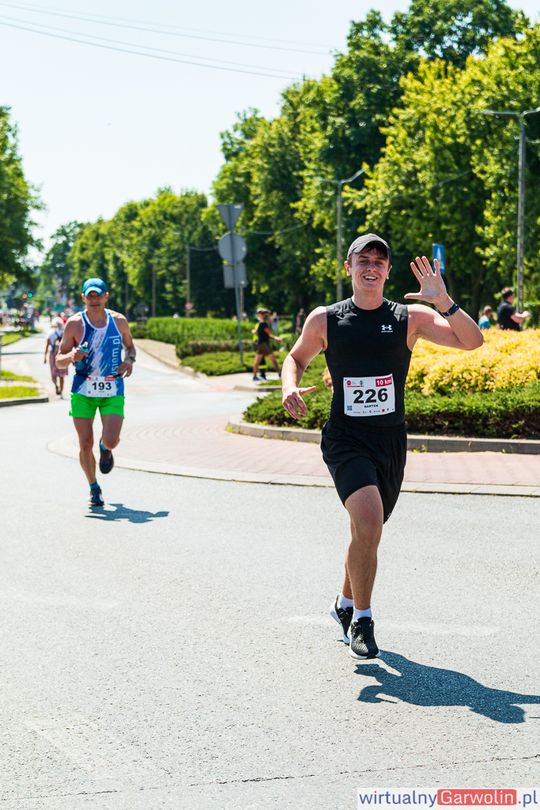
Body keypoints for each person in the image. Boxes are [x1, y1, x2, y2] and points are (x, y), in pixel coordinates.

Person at [281, 233, 483, 661]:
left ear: (388, 271)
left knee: (367, 532)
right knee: (369, 521)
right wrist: (289, 386)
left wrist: (443, 301)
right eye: (363, 260)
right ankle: (363, 619)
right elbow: (295, 359)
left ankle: (343, 602)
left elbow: (472, 341)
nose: (371, 267)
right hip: (345, 438)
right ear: (348, 267)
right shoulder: (326, 319)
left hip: (390, 441)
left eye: (379, 261)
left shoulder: (410, 318)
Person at [55, 277, 136, 507]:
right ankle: (94, 488)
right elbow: (59, 360)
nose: (94, 300)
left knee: (111, 440)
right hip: (83, 390)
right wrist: (71, 356)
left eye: (98, 295)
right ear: (83, 298)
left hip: (113, 387)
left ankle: (105, 448)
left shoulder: (119, 321)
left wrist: (129, 361)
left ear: (106, 296)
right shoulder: (74, 324)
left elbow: (130, 347)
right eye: (89, 296)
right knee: (84, 443)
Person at [252, 307, 282, 382]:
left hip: (260, 344)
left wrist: (275, 338)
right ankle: (280, 374)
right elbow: (269, 333)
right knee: (273, 360)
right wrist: (275, 337)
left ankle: (254, 377)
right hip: (264, 344)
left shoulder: (260, 324)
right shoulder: (264, 324)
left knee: (257, 361)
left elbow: (263, 334)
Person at [44, 317, 68, 396]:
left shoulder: (50, 333)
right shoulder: (64, 333)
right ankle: (61, 391)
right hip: (62, 354)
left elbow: (47, 346)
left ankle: (56, 385)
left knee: (53, 373)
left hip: (53, 355)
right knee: (62, 375)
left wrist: (45, 357)